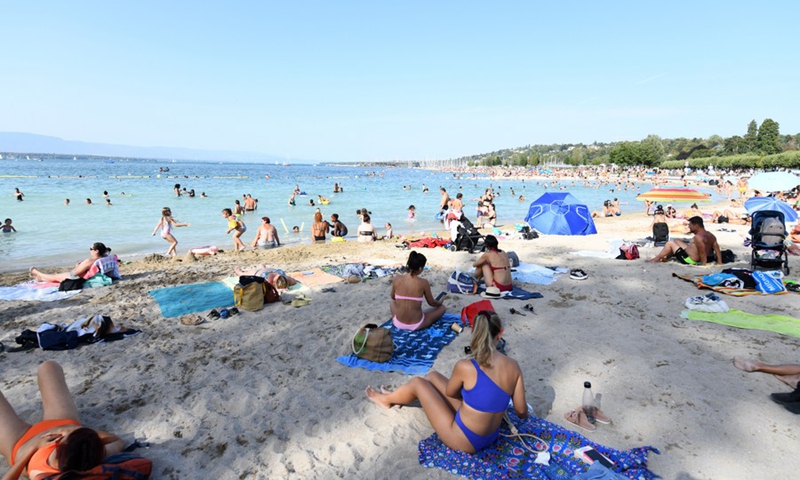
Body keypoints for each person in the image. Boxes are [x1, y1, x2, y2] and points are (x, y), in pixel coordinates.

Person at [366, 311, 527, 453]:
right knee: (433, 376)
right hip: (491, 436)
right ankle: (396, 396)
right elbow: (521, 411)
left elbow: (450, 393)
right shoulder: (513, 366)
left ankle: (386, 400)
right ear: (500, 334)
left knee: (418, 383)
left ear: (475, 335)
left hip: (464, 440)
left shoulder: (466, 366)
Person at [0, 361, 127, 480]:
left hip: (19, 442)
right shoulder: (90, 453)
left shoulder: (43, 473)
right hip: (59, 422)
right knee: (49, 367)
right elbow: (117, 441)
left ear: (62, 447)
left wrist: (34, 446)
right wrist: (70, 429)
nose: (60, 439)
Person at [389, 251, 446, 330]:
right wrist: (440, 302)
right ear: (420, 268)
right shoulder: (423, 283)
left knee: (392, 301)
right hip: (416, 324)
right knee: (442, 308)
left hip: (398, 323)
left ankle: (400, 319)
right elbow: (432, 303)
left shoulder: (397, 279)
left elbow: (392, 297)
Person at [647, 216, 722, 265]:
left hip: (691, 260)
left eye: (690, 225)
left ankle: (656, 259)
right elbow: (717, 249)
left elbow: (702, 252)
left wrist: (703, 265)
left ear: (696, 225)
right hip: (706, 257)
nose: (688, 226)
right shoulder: (710, 235)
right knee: (677, 241)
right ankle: (666, 257)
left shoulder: (698, 237)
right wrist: (719, 262)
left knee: (670, 243)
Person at [30, 243, 116, 283]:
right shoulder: (104, 257)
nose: (90, 251)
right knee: (58, 275)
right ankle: (40, 278)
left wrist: (76, 266)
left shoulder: (89, 260)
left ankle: (36, 272)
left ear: (96, 251)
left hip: (78, 279)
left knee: (55, 276)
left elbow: (75, 274)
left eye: (91, 249)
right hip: (91, 276)